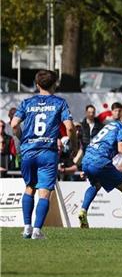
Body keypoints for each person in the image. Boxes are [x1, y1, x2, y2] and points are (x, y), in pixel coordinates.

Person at [10, 70, 76, 240]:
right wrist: (74, 145)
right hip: (48, 152)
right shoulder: (59, 102)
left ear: (37, 84)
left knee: (29, 188)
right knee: (44, 192)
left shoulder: (27, 102)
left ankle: (26, 228)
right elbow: (69, 128)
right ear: (55, 84)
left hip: (28, 151)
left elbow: (14, 124)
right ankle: (37, 231)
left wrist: (23, 139)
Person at [77, 102, 122, 230]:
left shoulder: (110, 125)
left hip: (87, 159)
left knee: (96, 184)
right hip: (100, 161)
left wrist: (87, 166)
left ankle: (83, 210)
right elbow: (121, 148)